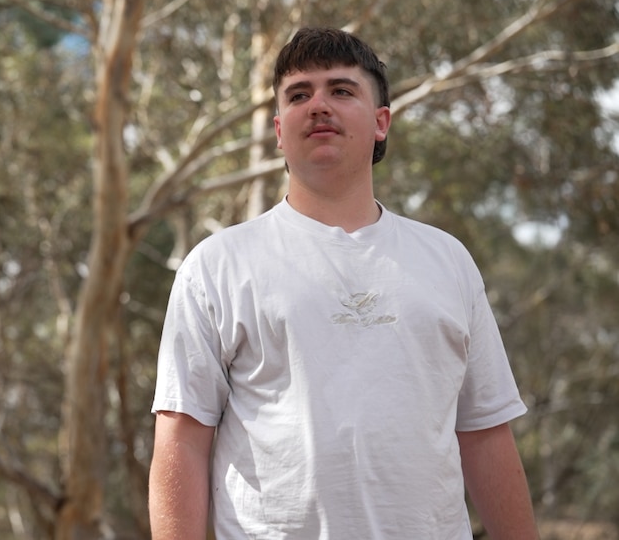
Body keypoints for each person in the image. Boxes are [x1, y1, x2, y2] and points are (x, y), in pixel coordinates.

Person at [148, 27, 539, 540]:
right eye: (299, 94)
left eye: (341, 90)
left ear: (381, 123)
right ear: (278, 130)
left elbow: (486, 433)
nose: (318, 105)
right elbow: (181, 442)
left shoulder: (447, 260)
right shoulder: (216, 265)